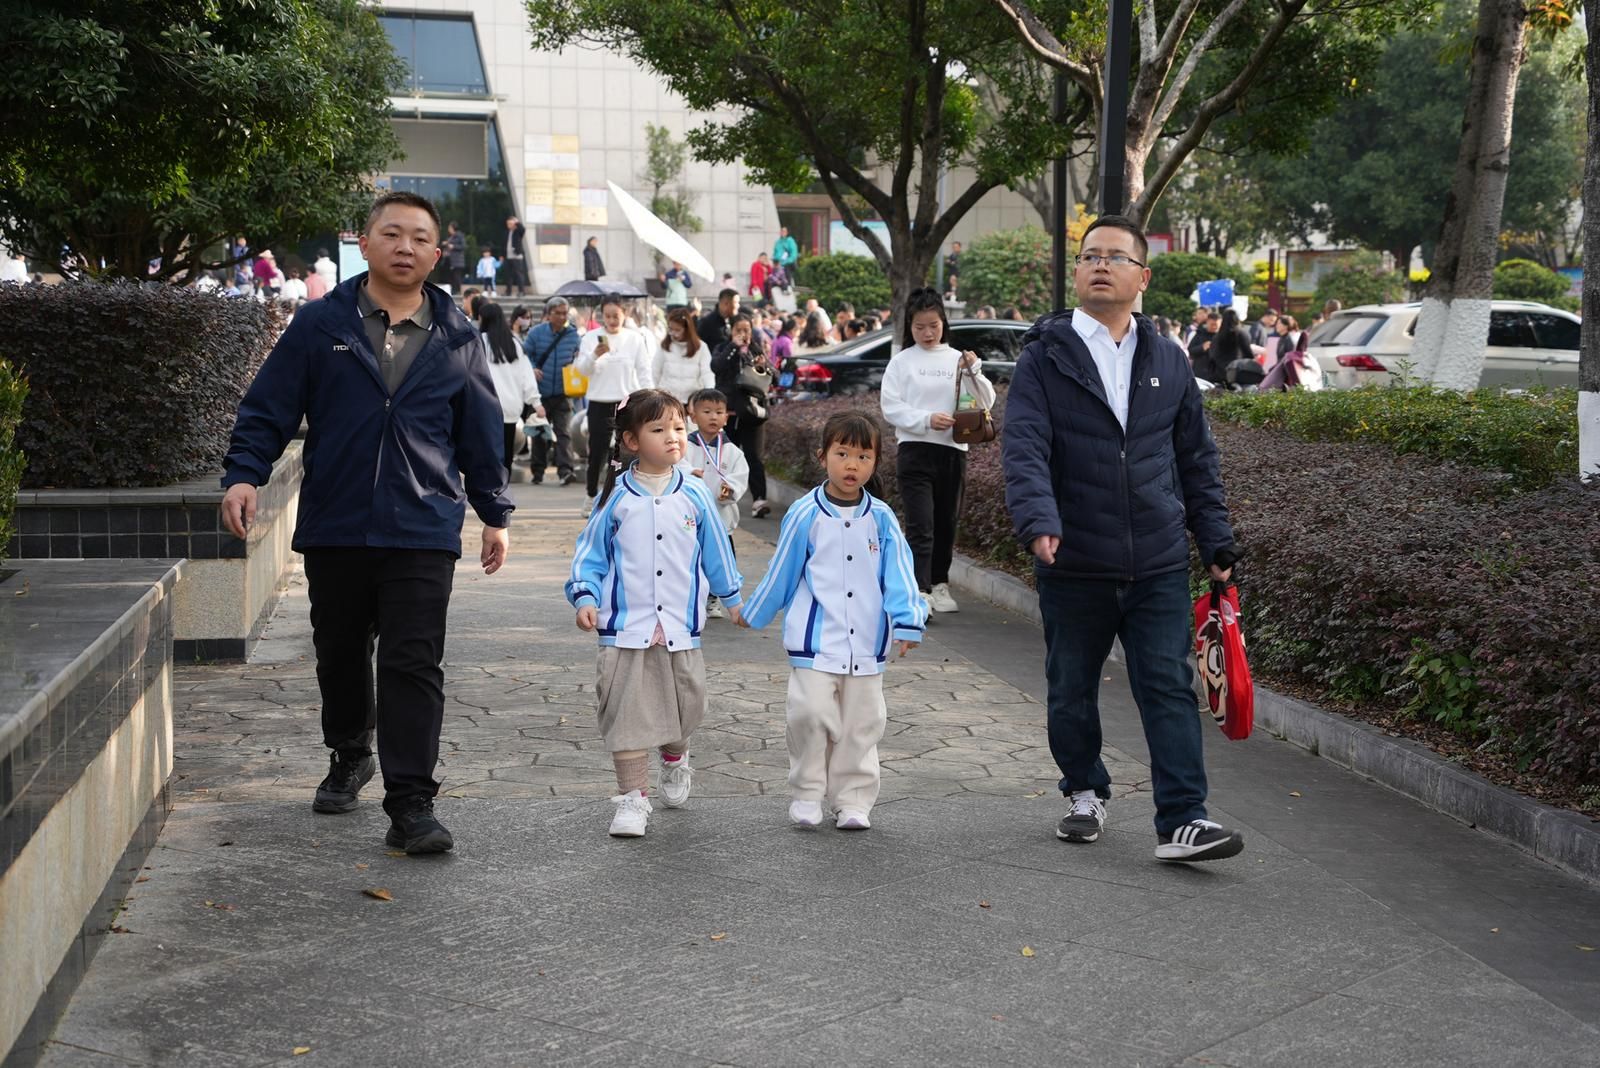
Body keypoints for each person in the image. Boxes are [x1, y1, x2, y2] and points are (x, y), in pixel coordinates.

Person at [220, 190, 511, 855]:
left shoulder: (459, 336)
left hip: (423, 524)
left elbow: (481, 431)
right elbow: (269, 406)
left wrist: (493, 512)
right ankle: (351, 748)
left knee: (413, 660)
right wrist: (244, 474)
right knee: (341, 650)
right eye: (392, 234)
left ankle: (411, 805)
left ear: (437, 252)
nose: (405, 247)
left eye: (419, 237)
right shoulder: (322, 324)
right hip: (338, 522)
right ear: (366, 242)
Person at [1001, 214, 1243, 863]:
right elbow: (1024, 447)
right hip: (1074, 559)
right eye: (1089, 256)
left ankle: (1184, 819)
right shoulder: (1043, 359)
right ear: (1077, 273)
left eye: (1115, 256)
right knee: (1071, 687)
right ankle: (1084, 789)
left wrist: (1215, 541)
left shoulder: (1169, 357)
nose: (1099, 264)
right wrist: (1039, 520)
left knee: (1166, 683)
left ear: (1143, 275)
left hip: (1158, 559)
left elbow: (1196, 456)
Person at [566, 389, 743, 836]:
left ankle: (675, 755)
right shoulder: (615, 498)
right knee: (623, 712)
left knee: (686, 707)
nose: (673, 438)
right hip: (626, 627)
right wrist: (585, 596)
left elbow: (717, 553)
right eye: (659, 429)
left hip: (680, 627)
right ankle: (631, 799)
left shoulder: (697, 496)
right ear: (631, 440)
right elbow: (590, 556)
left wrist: (735, 598)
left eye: (679, 428)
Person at [737, 411, 926, 830]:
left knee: (861, 725)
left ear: (875, 462)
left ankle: (852, 799)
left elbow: (901, 576)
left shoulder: (882, 519)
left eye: (863, 456)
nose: (852, 465)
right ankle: (807, 792)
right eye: (843, 454)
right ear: (823, 457)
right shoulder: (806, 514)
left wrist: (909, 621)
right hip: (815, 642)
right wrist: (754, 611)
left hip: (866, 645)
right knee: (808, 714)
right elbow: (782, 569)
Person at [880, 287, 995, 617]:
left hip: (953, 450)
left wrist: (974, 370)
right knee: (921, 524)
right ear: (909, 326)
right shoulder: (902, 362)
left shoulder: (958, 359)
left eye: (933, 325)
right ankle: (920, 589)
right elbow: (891, 407)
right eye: (919, 327)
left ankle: (940, 581)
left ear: (943, 322)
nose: (927, 333)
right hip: (914, 451)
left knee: (947, 521)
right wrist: (926, 419)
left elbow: (986, 402)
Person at [575, 295, 655, 515]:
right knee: (598, 452)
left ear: (624, 314)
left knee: (625, 451)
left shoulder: (634, 338)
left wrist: (650, 397)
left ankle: (622, 494)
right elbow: (581, 369)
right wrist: (594, 356)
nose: (611, 320)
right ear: (602, 316)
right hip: (599, 401)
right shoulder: (592, 338)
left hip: (626, 401)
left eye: (616, 316)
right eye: (607, 316)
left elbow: (643, 370)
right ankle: (591, 495)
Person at [684, 388, 749, 620]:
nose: (713, 417)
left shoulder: (732, 451)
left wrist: (730, 489)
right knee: (692, 558)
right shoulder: (685, 445)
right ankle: (693, 596)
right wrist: (690, 472)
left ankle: (713, 599)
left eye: (718, 412)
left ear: (726, 417)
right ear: (693, 416)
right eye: (707, 411)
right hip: (690, 519)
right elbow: (676, 466)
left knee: (722, 560)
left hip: (721, 519)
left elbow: (741, 475)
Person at [711, 313, 773, 519]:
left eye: (746, 329)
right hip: (728, 412)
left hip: (752, 413)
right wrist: (733, 348)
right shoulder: (723, 348)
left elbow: (774, 375)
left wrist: (763, 364)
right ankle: (723, 496)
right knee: (727, 456)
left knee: (754, 457)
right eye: (739, 330)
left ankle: (759, 499)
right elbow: (716, 367)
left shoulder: (757, 350)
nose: (743, 334)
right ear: (731, 331)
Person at [524, 297, 581, 486]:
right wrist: (532, 368)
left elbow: (580, 356)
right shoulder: (535, 333)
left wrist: (575, 363)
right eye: (558, 313)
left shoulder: (573, 335)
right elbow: (525, 356)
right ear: (548, 315)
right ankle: (538, 471)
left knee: (563, 432)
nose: (562, 316)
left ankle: (565, 471)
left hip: (563, 392)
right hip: (539, 393)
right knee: (539, 432)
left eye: (565, 313)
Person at [479, 301, 540, 480]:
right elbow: (526, 375)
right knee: (506, 452)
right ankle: (503, 489)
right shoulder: (514, 343)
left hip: (487, 405)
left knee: (488, 451)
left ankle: (489, 488)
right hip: (511, 407)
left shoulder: (479, 342)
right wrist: (535, 402)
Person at [652, 307, 715, 405]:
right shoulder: (664, 346)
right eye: (671, 329)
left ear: (687, 329)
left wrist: (709, 393)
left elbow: (707, 373)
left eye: (678, 330)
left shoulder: (701, 347)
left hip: (692, 402)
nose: (674, 334)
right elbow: (655, 372)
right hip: (667, 401)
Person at [1187, 310, 1221, 377]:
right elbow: (1190, 351)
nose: (1214, 327)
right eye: (1212, 324)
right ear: (1207, 322)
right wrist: (1202, 347)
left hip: (1216, 373)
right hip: (1200, 372)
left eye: (1216, 325)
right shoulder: (1200, 333)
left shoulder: (1222, 336)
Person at [503, 216, 529, 297]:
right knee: (508, 275)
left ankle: (521, 291)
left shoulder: (518, 231)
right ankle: (508, 292)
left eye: (511, 223)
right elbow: (503, 244)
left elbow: (523, 229)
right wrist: (502, 255)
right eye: (508, 224)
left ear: (514, 224)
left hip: (517, 256)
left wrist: (517, 222)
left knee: (519, 275)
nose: (509, 225)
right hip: (508, 257)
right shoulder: (507, 232)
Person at [442, 223, 467, 294]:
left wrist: (453, 246)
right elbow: (448, 246)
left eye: (449, 227)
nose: (448, 229)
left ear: (453, 228)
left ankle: (458, 291)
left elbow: (463, 246)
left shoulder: (460, 236)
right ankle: (452, 290)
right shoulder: (451, 237)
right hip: (450, 260)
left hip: (457, 260)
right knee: (451, 276)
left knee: (457, 276)